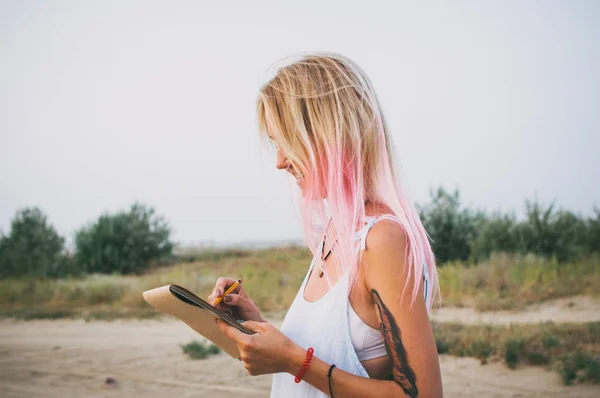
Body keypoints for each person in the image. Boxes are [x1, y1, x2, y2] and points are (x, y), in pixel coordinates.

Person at [208, 53, 443, 398]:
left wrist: (294, 362)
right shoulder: (337, 232)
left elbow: (424, 395)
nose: (280, 162)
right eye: (276, 144)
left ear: (329, 134)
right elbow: (335, 352)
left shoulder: (381, 240)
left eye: (287, 142)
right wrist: (255, 324)